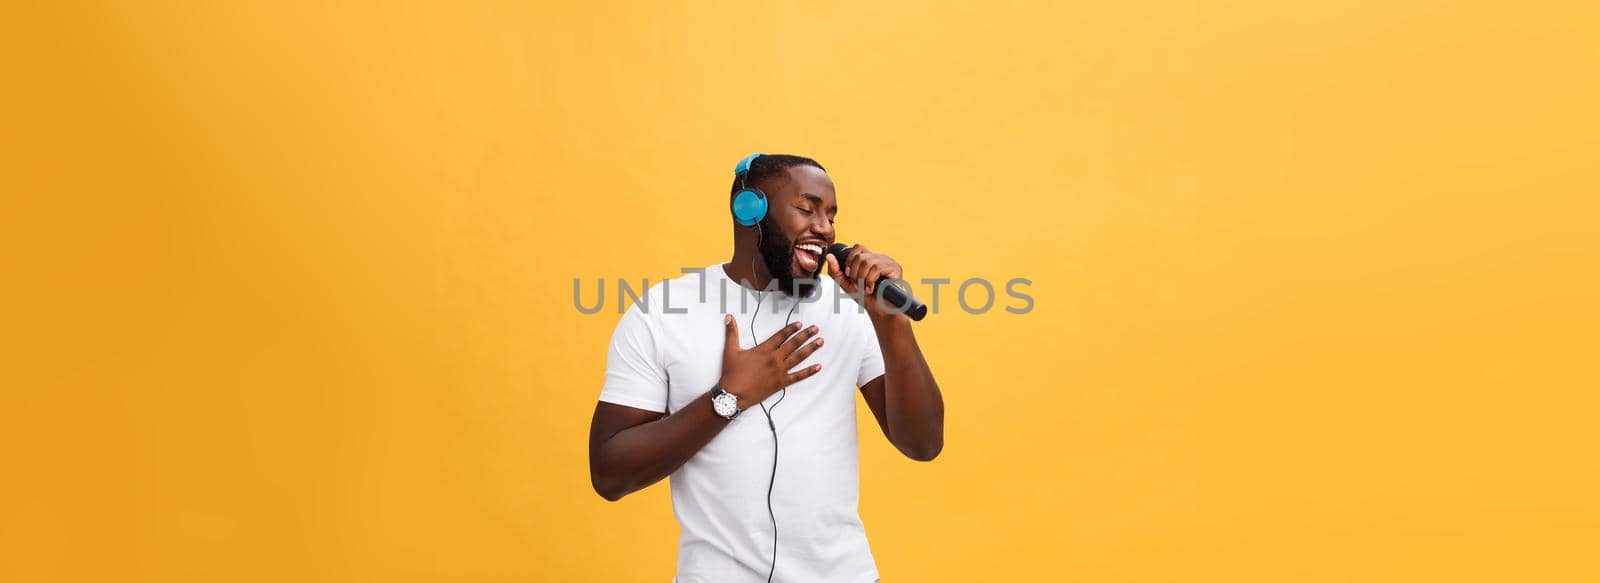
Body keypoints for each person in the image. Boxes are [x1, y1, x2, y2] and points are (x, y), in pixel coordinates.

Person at [588, 153, 945, 582]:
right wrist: (728, 399)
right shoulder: (661, 314)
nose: (825, 228)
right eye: (806, 208)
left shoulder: (850, 311)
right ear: (749, 210)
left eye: (831, 215)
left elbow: (923, 444)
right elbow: (609, 473)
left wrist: (891, 324)